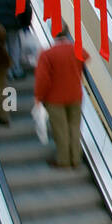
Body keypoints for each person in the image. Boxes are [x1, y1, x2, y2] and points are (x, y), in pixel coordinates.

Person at [34, 27, 90, 169]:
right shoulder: (77, 50)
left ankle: (63, 160)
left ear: (54, 34)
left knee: (60, 129)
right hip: (75, 95)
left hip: (55, 98)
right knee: (74, 127)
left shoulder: (47, 54)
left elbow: (42, 79)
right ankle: (75, 158)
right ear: (67, 32)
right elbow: (86, 57)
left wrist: (39, 97)